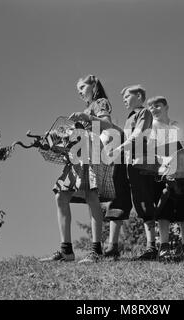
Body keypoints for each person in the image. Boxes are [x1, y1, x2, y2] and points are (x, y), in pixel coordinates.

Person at [40, 74, 114, 264]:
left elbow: (108, 125)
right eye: (78, 90)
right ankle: (66, 251)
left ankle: (96, 251)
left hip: (91, 152)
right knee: (61, 195)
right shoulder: (87, 109)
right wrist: (53, 140)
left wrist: (86, 117)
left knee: (91, 195)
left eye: (82, 87)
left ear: (93, 86)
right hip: (76, 156)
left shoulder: (100, 103)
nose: (79, 92)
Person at [109, 84, 158, 260]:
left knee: (143, 201)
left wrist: (119, 148)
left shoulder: (143, 113)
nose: (124, 100)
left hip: (141, 163)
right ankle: (112, 247)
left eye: (127, 97)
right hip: (127, 164)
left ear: (138, 96)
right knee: (119, 199)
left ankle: (152, 247)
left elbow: (138, 135)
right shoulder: (130, 117)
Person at [147, 96, 184, 262]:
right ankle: (164, 246)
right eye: (151, 107)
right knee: (164, 207)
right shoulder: (152, 127)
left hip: (181, 169)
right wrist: (163, 161)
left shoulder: (175, 125)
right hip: (161, 170)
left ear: (166, 107)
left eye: (157, 106)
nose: (154, 109)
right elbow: (151, 150)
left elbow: (182, 146)